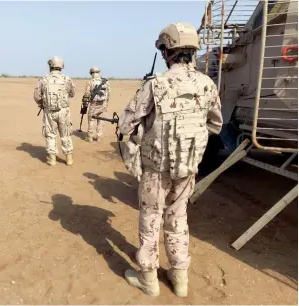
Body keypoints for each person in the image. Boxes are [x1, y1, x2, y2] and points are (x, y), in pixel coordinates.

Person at [118, 22, 223, 297]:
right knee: (178, 218)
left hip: (156, 169)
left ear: (167, 51)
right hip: (188, 168)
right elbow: (215, 125)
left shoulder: (156, 84)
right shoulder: (207, 84)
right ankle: (180, 280)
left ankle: (149, 281)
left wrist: (145, 131)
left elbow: (126, 124)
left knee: (151, 219)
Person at [33, 56, 76, 166]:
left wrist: (43, 103)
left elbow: (37, 97)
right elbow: (72, 93)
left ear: (50, 66)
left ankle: (52, 160)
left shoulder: (44, 79)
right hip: (64, 111)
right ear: (61, 66)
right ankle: (69, 159)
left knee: (50, 135)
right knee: (65, 134)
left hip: (49, 112)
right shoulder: (67, 79)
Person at [82, 67, 110, 142]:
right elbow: (108, 94)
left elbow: (87, 94)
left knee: (91, 120)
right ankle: (99, 137)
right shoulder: (106, 82)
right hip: (102, 104)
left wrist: (85, 105)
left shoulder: (90, 82)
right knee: (100, 121)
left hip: (93, 104)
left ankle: (90, 137)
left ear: (91, 73)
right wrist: (106, 105)